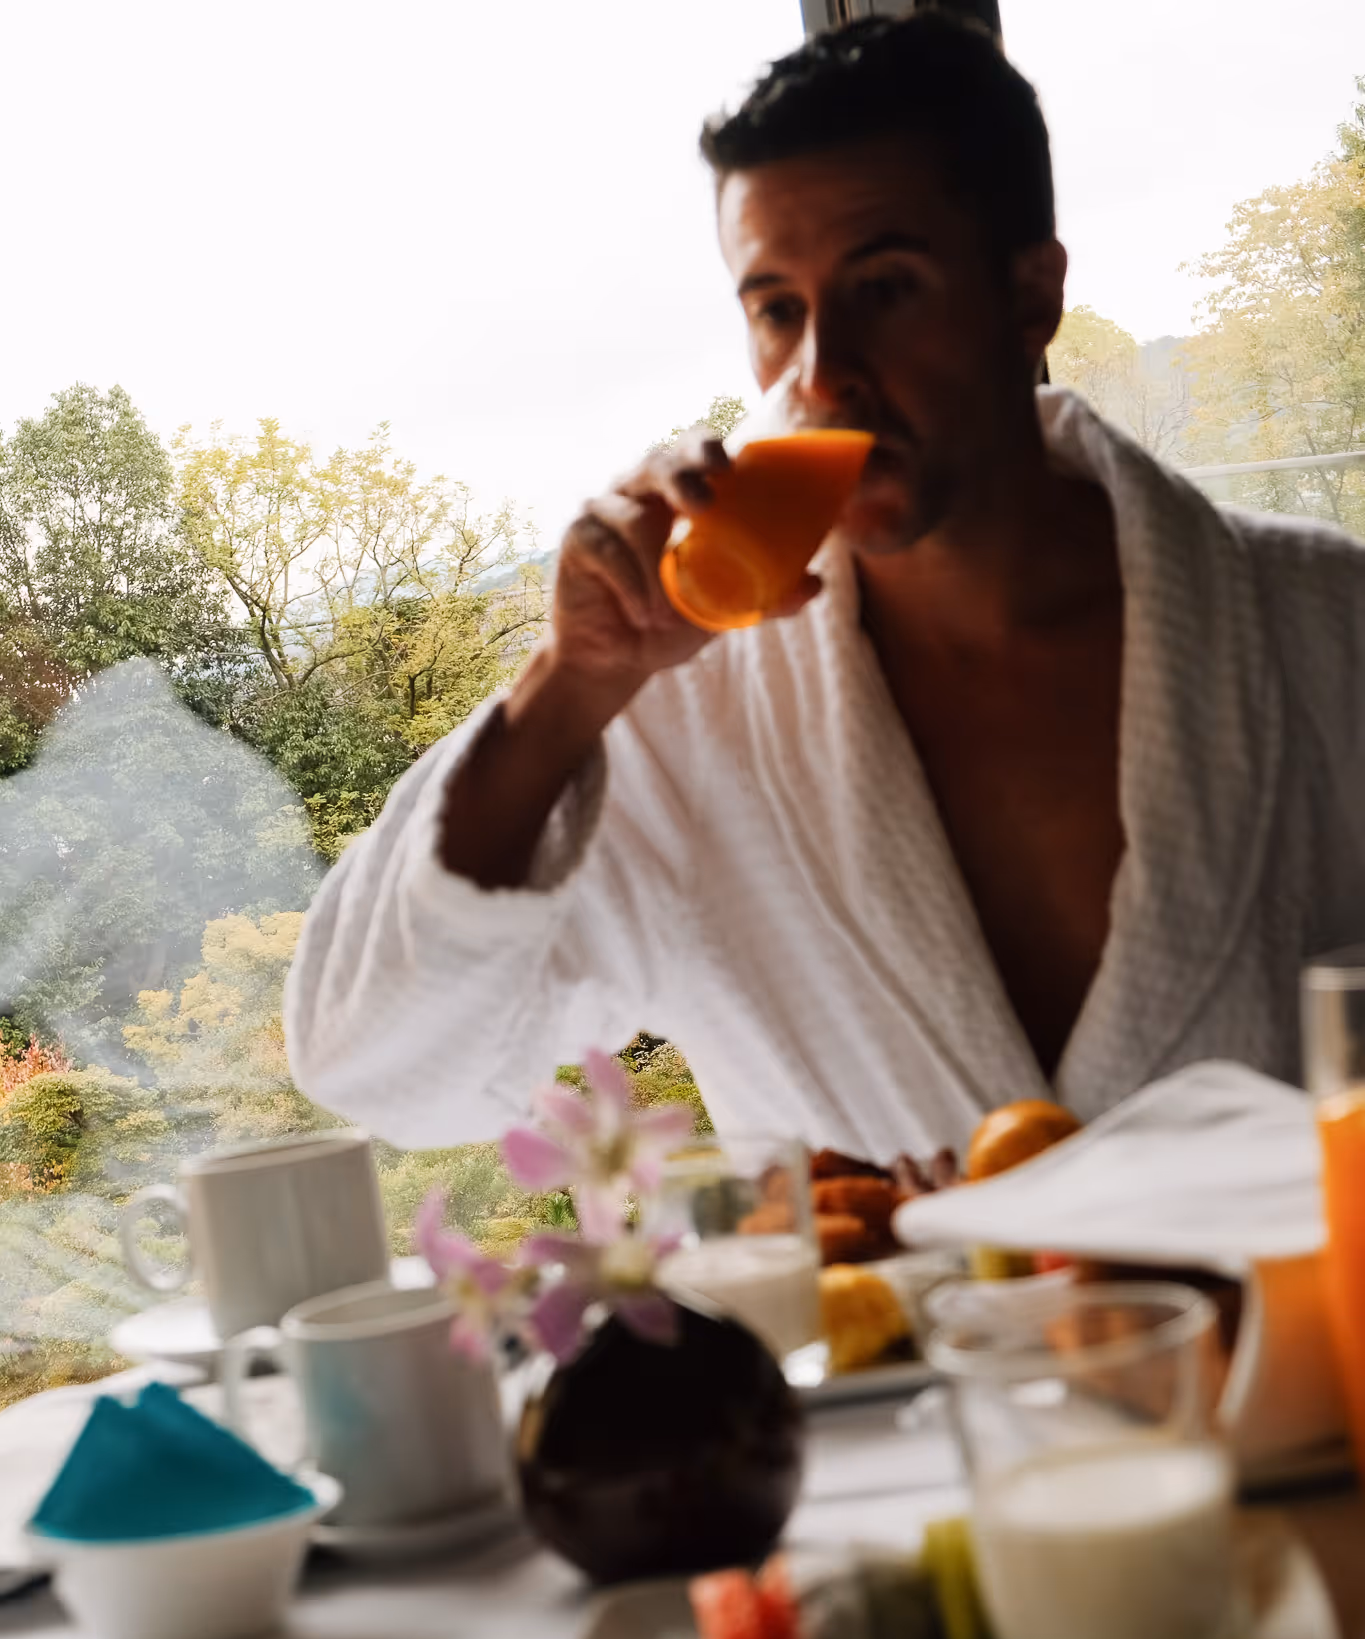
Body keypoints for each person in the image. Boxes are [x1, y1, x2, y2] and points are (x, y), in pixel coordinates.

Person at [285, 11, 1365, 1158]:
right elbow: (379, 1067)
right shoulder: (678, 713)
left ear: (1029, 296)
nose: (822, 371)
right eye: (776, 310)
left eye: (885, 286)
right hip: (878, 1341)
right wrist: (569, 680)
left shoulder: (1323, 630)